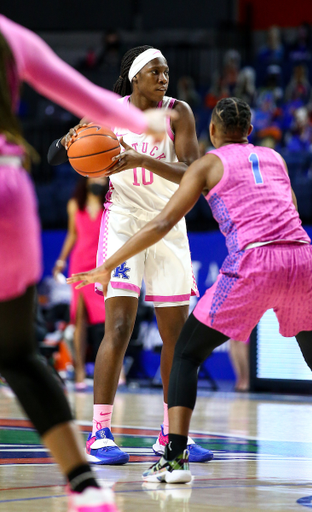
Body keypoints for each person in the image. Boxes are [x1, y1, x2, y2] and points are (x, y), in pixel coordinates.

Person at [0, 2, 173, 511]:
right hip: (4, 189)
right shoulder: (5, 35)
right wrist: (148, 122)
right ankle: (86, 488)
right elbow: (85, 95)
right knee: (19, 355)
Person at [69, 97, 312, 484]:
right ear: (250, 132)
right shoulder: (276, 159)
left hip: (254, 262)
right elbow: (292, 212)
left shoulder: (208, 163)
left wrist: (106, 264)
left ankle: (173, 457)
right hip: (303, 259)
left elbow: (162, 223)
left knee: (185, 352)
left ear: (212, 133)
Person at [49, 45, 212, 465]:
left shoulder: (179, 113)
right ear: (135, 77)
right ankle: (100, 432)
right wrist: (69, 141)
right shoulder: (108, 111)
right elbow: (56, 154)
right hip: (123, 220)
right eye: (155, 72)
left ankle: (170, 434)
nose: (163, 78)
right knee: (118, 325)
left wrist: (141, 159)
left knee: (175, 334)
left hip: (169, 224)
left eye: (166, 72)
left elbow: (194, 174)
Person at [52, 177, 108, 390]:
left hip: (102, 265)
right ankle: (80, 373)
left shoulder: (110, 204)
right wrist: (60, 260)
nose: (99, 180)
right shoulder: (74, 204)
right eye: (95, 176)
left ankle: (116, 370)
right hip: (79, 264)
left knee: (107, 319)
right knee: (79, 319)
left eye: (103, 177)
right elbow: (72, 235)